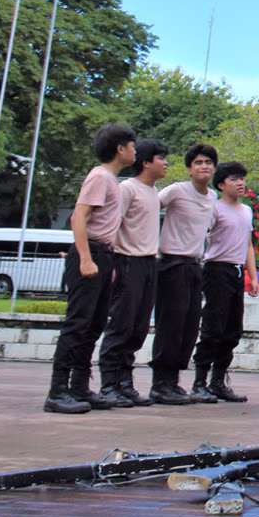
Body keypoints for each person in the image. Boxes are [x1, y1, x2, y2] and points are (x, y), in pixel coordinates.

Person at [44, 123, 136, 414]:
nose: (135, 149)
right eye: (131, 145)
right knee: (78, 323)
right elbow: (78, 217)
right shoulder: (100, 177)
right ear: (120, 149)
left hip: (103, 254)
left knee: (94, 325)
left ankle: (80, 387)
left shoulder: (112, 181)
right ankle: (57, 391)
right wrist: (85, 258)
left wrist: (105, 262)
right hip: (90, 251)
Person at [97, 138, 170, 408]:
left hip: (150, 262)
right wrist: (113, 264)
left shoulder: (154, 193)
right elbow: (112, 224)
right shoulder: (127, 188)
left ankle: (125, 383)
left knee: (139, 327)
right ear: (146, 161)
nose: (166, 163)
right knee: (121, 324)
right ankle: (108, 385)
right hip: (127, 261)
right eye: (161, 158)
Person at [151, 143, 219, 405]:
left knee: (189, 326)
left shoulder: (212, 196)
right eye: (199, 163)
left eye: (209, 162)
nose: (204, 167)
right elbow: (149, 208)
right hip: (171, 263)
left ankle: (174, 381)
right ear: (189, 169)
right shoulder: (177, 190)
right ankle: (160, 383)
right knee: (170, 323)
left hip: (194, 265)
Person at [192, 161, 259, 403]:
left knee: (232, 329)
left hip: (236, 271)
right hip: (216, 269)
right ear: (221, 185)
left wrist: (253, 277)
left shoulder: (247, 211)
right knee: (213, 326)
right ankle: (199, 382)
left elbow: (248, 245)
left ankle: (218, 381)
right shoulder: (215, 208)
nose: (240, 183)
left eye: (242, 178)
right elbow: (201, 235)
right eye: (234, 179)